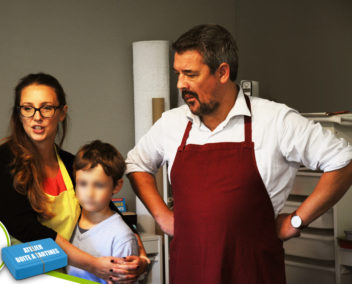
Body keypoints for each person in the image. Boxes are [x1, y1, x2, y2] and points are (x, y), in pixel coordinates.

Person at [126, 24, 352, 283]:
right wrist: (161, 215)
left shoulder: (275, 120)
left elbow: (343, 161)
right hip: (189, 271)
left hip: (253, 272)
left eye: (190, 74)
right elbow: (136, 163)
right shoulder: (172, 123)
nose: (181, 84)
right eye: (177, 73)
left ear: (222, 72)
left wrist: (297, 221)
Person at [0, 73, 148, 283]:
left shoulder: (71, 164)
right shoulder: (1, 161)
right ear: (18, 114)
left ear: (62, 112)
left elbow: (108, 210)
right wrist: (93, 265)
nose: (37, 116)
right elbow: (26, 229)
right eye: (27, 108)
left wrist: (141, 257)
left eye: (46, 107)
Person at [66, 140, 139, 283]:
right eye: (83, 183)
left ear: (116, 186)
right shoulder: (69, 221)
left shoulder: (121, 237)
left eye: (98, 185)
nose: (89, 193)